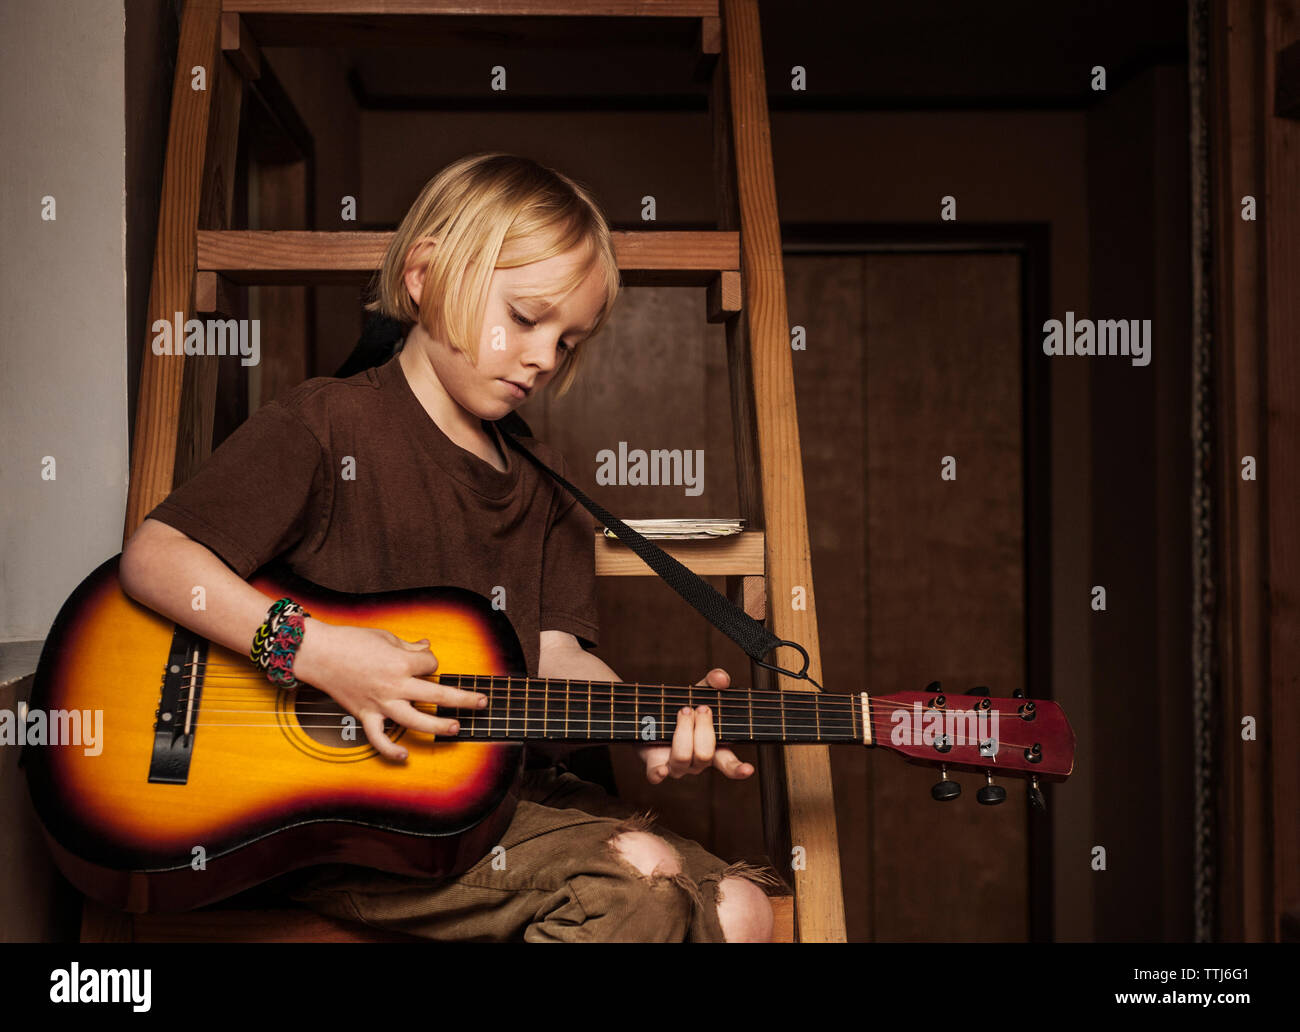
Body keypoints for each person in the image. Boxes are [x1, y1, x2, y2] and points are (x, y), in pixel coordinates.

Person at [119, 152, 778, 942]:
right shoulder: (324, 425)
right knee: (639, 878)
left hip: (503, 797)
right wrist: (316, 652)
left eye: (568, 341)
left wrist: (647, 724)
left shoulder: (547, 484)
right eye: (528, 318)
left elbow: (555, 658)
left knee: (741, 911)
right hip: (358, 820)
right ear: (427, 275)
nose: (544, 357)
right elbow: (156, 559)